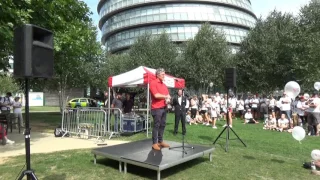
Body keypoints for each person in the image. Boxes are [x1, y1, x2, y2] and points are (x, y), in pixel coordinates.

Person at [149, 68, 171, 151]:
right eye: (163, 74)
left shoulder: (164, 85)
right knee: (156, 125)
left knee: (163, 125)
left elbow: (167, 94)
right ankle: (154, 143)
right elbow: (156, 95)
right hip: (156, 108)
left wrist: (168, 98)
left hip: (164, 107)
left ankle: (160, 141)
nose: (164, 76)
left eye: (164, 74)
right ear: (158, 75)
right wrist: (166, 96)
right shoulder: (153, 83)